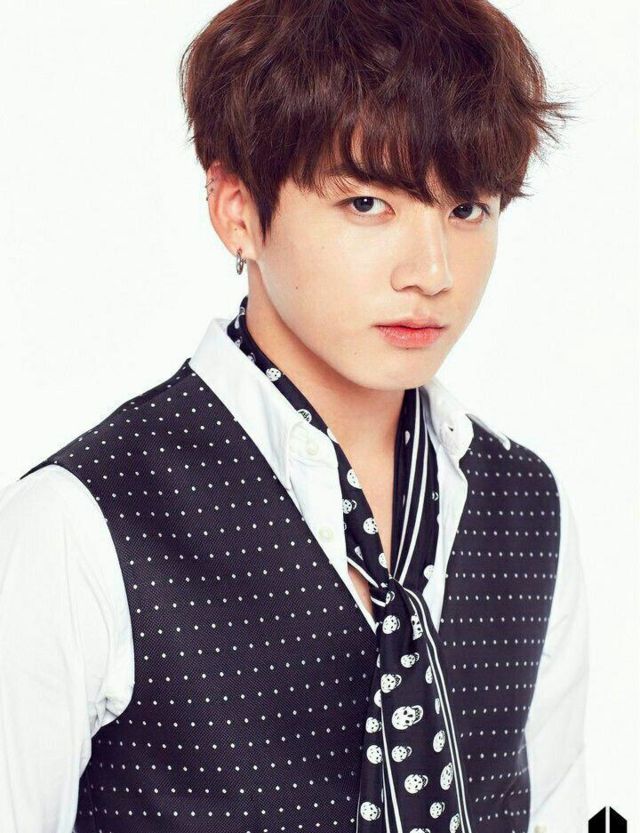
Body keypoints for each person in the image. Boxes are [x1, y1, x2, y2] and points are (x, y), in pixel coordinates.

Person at [0, 1, 589, 831]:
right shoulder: (78, 524)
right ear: (237, 210)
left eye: (467, 209)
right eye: (368, 204)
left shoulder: (525, 506)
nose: (432, 272)